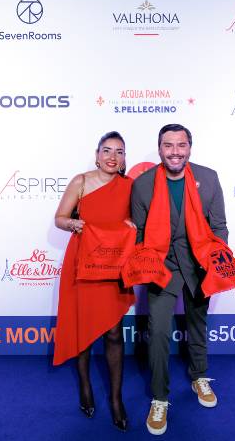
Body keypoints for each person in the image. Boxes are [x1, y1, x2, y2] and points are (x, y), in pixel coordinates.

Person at [130, 124, 230, 436]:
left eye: (181, 145)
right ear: (159, 148)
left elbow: (219, 226)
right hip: (161, 266)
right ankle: (159, 398)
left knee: (197, 324)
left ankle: (199, 376)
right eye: (168, 145)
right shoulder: (143, 184)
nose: (175, 152)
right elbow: (140, 234)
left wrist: (215, 262)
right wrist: (149, 264)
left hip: (198, 263)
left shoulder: (208, 178)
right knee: (159, 330)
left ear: (189, 147)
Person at [53, 131, 135, 432]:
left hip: (114, 265)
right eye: (107, 150)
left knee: (114, 332)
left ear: (124, 158)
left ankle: (116, 399)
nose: (113, 157)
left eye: (119, 152)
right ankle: (85, 386)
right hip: (83, 263)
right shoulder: (81, 181)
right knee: (84, 331)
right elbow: (59, 218)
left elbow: (141, 219)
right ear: (97, 155)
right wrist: (73, 223)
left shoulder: (130, 186)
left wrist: (133, 225)